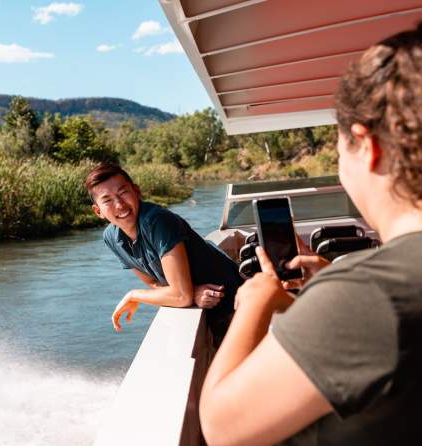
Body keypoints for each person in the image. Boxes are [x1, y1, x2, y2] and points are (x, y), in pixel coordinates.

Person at [199, 25, 422, 445]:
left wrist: (254, 302)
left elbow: (222, 427)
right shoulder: (366, 292)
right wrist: (330, 282)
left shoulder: (370, 294)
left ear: (367, 144)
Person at [85, 163, 243, 342]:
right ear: (98, 211)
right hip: (212, 313)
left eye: (123, 193)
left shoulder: (157, 221)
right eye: (107, 200)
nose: (119, 205)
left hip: (239, 304)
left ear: (136, 191)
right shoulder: (112, 238)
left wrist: (134, 295)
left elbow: (181, 297)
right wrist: (191, 292)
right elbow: (154, 283)